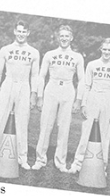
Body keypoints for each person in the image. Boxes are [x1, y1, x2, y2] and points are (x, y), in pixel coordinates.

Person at [32, 25, 85, 172]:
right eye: (61, 36)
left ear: (71, 38)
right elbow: (41, 76)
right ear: (58, 37)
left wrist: (79, 100)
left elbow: (82, 80)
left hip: (68, 89)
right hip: (52, 88)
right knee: (45, 126)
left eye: (66, 36)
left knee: (64, 127)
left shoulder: (77, 56)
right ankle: (40, 159)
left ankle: (60, 161)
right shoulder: (49, 54)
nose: (64, 38)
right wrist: (40, 96)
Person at [0, 21, 39, 170]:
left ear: (28, 33)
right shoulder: (5, 49)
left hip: (24, 85)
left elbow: (35, 75)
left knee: (22, 122)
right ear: (14, 32)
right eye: (19, 31)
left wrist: (34, 94)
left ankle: (21, 157)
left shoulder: (34, 52)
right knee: (0, 120)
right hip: (8, 83)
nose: (21, 34)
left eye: (24, 32)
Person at [69, 38, 110, 174]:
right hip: (93, 98)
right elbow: (86, 85)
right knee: (86, 131)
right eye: (104, 49)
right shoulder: (92, 64)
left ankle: (101, 166)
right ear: (101, 49)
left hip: (109, 99)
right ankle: (78, 163)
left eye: (109, 49)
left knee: (104, 134)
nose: (106, 52)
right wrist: (83, 104)